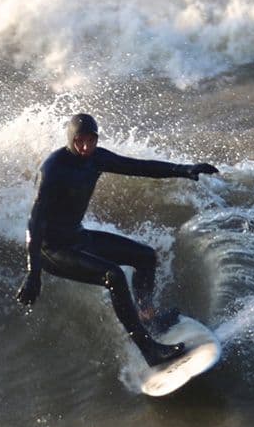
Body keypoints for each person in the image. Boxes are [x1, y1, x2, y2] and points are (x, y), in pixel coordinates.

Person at [15, 113, 218, 367]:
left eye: (92, 141)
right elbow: (34, 224)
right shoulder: (53, 170)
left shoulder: (96, 158)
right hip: (52, 250)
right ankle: (149, 350)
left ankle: (148, 318)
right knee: (114, 276)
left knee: (145, 256)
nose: (86, 147)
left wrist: (183, 170)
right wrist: (34, 272)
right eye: (80, 141)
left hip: (77, 236)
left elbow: (139, 167)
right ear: (71, 139)